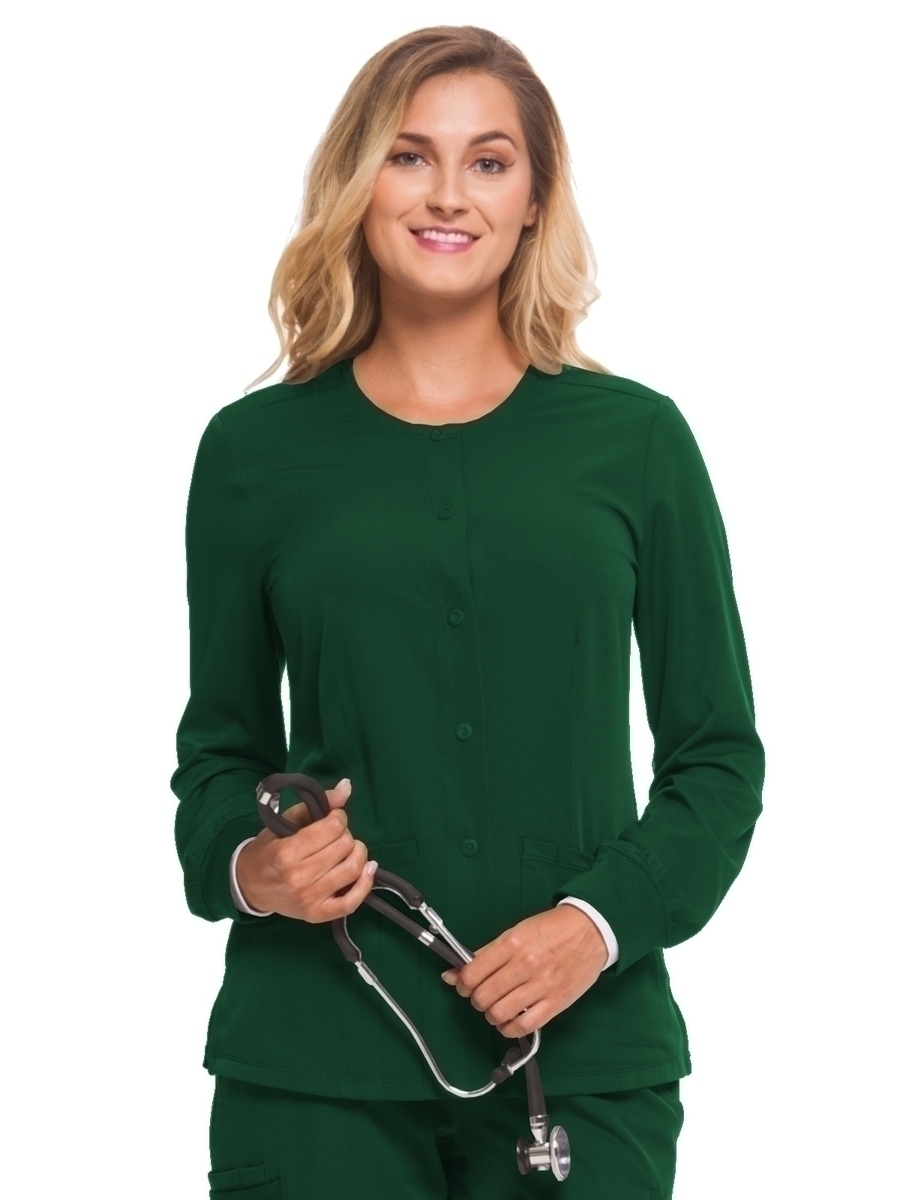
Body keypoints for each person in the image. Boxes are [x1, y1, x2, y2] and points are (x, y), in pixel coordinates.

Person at [170, 24, 765, 1200]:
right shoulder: (252, 453)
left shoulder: (638, 442)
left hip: (584, 1073)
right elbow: (218, 752)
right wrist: (257, 866)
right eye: (410, 156)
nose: (448, 194)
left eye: (489, 161)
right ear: (360, 182)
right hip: (313, 1076)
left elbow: (717, 758)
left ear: (534, 200)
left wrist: (595, 925)